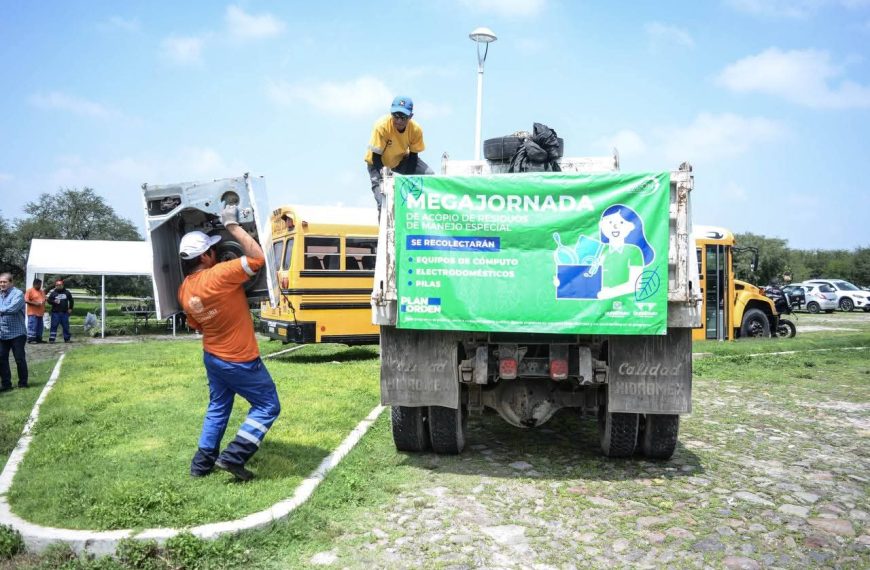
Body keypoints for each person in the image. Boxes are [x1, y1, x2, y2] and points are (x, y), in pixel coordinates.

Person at [179, 204, 281, 481]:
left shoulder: (184, 290)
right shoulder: (221, 274)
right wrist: (233, 226)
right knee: (268, 406)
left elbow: (196, 324)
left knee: (218, 406)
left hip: (213, 357)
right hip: (240, 359)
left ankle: (201, 464)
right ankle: (235, 456)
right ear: (208, 255)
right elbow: (258, 259)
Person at [364, 95, 434, 217]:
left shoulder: (416, 130)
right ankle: (385, 231)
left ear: (410, 116)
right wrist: (385, 176)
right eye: (396, 116)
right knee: (383, 201)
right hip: (377, 164)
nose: (399, 121)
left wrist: (409, 182)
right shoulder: (381, 126)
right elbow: (376, 158)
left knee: (429, 175)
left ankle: (425, 211)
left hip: (400, 159)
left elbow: (413, 157)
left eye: (403, 117)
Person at [595, 204, 655, 300]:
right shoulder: (599, 250)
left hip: (625, 305)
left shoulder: (634, 251)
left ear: (631, 226)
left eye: (621, 223)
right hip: (595, 305)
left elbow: (636, 284)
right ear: (602, 226)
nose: (615, 226)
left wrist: (610, 293)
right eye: (610, 222)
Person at [0, 273, 28, 390]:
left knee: (19, 358)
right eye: (0, 282)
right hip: (2, 333)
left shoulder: (18, 294)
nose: (2, 284)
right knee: (1, 358)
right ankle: (6, 385)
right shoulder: (0, 295)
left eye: (4, 282)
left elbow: (13, 309)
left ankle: (23, 383)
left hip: (18, 333)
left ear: (11, 282)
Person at [47, 279, 74, 343]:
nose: (58, 286)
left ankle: (67, 339)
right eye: (57, 285)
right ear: (55, 286)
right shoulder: (53, 293)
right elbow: (49, 300)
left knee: (66, 326)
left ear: (62, 285)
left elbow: (71, 300)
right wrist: (54, 301)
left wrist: (70, 308)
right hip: (55, 313)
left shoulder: (67, 292)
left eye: (60, 285)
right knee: (54, 326)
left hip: (65, 313)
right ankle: (52, 339)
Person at [24, 278, 46, 344]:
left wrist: (43, 302)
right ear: (34, 284)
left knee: (40, 326)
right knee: (32, 325)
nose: (40, 286)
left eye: (40, 284)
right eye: (39, 284)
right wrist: (35, 303)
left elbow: (44, 299)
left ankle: (38, 338)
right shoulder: (29, 291)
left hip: (40, 312)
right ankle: (31, 339)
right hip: (32, 312)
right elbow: (26, 300)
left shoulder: (41, 291)